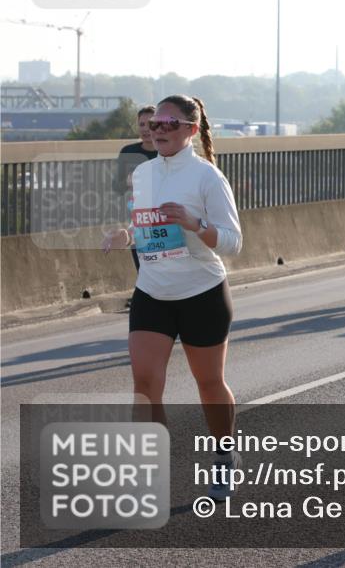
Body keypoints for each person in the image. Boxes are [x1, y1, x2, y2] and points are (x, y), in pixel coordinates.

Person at [101, 95, 243, 500]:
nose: (157, 129)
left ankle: (224, 457)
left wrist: (195, 224)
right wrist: (124, 235)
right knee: (145, 385)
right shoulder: (143, 174)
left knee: (209, 382)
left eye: (168, 123)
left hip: (202, 292)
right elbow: (144, 226)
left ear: (191, 131)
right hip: (152, 291)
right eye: (154, 123)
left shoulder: (208, 177)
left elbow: (233, 243)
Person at [114, 106, 158, 272]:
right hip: (138, 220)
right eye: (141, 124)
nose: (146, 129)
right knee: (143, 270)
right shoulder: (128, 151)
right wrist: (128, 181)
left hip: (167, 220)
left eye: (151, 124)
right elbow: (117, 187)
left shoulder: (168, 152)